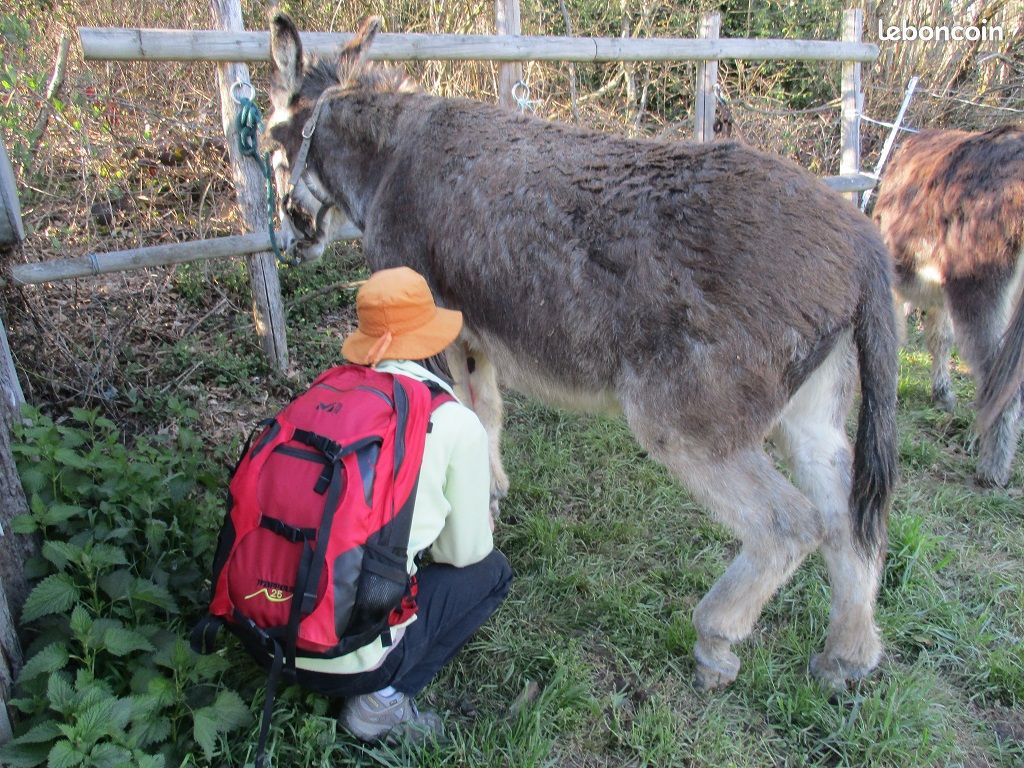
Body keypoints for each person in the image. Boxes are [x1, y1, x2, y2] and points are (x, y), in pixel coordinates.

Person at [326, 266, 513, 744]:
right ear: (431, 339)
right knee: (489, 573)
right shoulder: (451, 420)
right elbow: (463, 555)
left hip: (269, 628)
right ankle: (381, 699)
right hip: (342, 649)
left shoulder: (327, 392)